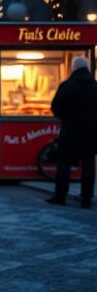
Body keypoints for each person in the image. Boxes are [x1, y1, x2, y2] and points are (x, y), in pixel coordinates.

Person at [47, 56, 96, 209]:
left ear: (73, 68)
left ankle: (60, 196)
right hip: (91, 132)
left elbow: (55, 107)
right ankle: (86, 199)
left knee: (64, 163)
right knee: (88, 165)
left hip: (70, 131)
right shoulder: (95, 86)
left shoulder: (67, 86)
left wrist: (66, 118)